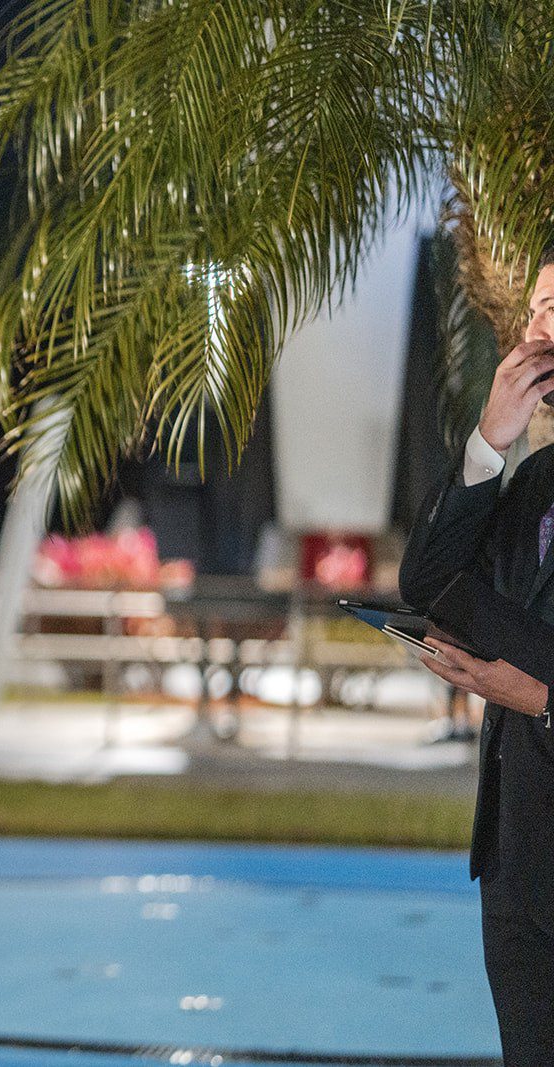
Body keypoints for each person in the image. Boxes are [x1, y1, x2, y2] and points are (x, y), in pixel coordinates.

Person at [398, 246, 554, 1066]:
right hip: (517, 871)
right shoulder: (532, 480)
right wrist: (489, 441)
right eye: (535, 307)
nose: (535, 330)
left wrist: (534, 696)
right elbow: (429, 579)